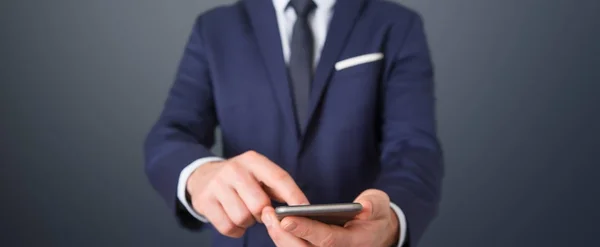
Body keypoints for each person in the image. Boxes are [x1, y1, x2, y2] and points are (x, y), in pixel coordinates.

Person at [144, 0, 443, 246]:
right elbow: (169, 134)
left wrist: (390, 222)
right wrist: (200, 175)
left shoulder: (397, 24)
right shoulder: (214, 29)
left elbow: (414, 150)